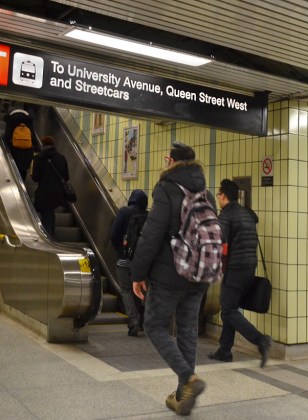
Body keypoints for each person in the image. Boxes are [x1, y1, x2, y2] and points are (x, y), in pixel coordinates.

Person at [131, 142, 208, 416]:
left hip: (170, 274)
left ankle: (188, 379)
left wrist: (138, 273)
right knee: (187, 331)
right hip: (199, 274)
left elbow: (152, 234)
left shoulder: (166, 188)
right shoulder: (205, 192)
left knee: (153, 325)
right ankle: (181, 398)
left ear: (171, 161)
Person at [208, 179, 272, 367]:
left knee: (227, 310)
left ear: (224, 196)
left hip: (234, 269)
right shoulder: (247, 214)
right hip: (249, 268)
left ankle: (261, 340)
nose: (218, 198)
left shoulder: (226, 216)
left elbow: (222, 245)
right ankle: (224, 350)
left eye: (219, 195)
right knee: (231, 306)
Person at [110, 189, 148, 337]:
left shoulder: (124, 212)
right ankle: (145, 319)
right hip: (143, 262)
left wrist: (121, 250)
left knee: (126, 290)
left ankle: (133, 321)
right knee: (142, 289)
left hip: (124, 260)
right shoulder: (147, 216)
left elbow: (114, 235)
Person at [31, 135, 69, 237]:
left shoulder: (38, 158)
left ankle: (49, 238)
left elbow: (35, 178)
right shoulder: (61, 158)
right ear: (53, 144)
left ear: (42, 144)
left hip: (44, 192)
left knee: (46, 214)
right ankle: (51, 235)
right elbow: (66, 176)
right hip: (57, 192)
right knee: (50, 212)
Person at [3, 108, 36, 181]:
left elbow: (7, 136)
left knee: (14, 167)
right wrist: (36, 148)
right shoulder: (29, 119)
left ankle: (15, 182)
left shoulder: (11, 119)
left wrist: (8, 148)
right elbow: (33, 136)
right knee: (23, 169)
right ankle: (22, 183)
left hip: (15, 149)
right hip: (27, 149)